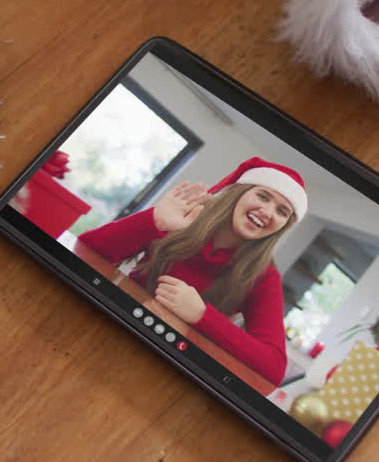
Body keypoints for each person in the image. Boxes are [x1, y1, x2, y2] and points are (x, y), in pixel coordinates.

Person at [77, 157, 308, 386]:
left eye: (282, 211)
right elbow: (85, 250)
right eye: (263, 196)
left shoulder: (264, 277)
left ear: (283, 226)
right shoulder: (182, 217)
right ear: (239, 192)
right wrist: (154, 221)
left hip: (166, 367)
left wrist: (201, 315)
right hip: (106, 323)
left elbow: (274, 367)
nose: (267, 211)